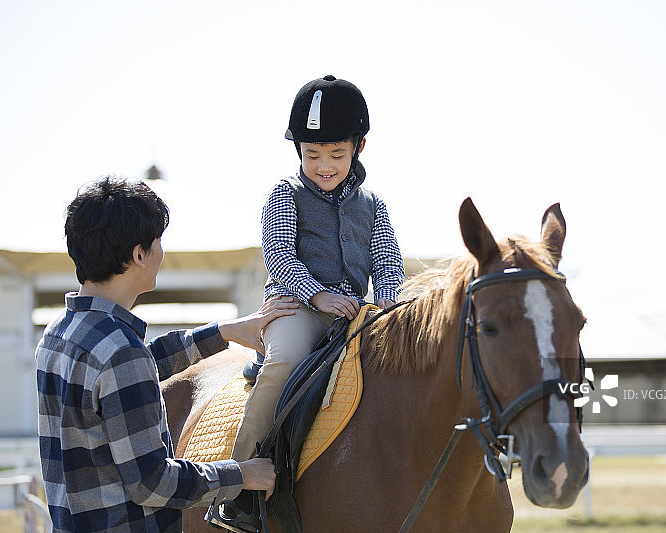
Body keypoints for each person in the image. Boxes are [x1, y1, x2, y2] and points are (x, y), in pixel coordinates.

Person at [36, 176, 298, 533]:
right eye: (158, 241)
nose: (162, 251)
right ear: (139, 255)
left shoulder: (59, 335)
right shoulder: (120, 352)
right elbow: (152, 482)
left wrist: (224, 333)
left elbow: (132, 373)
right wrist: (241, 475)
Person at [208, 75, 405, 531]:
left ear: (359, 146)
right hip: (296, 308)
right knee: (285, 361)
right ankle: (237, 489)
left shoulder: (373, 204)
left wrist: (390, 303)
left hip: (354, 312)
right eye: (312, 155)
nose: (324, 165)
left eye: (335, 154)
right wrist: (317, 293)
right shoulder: (284, 194)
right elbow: (278, 254)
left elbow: (388, 260)